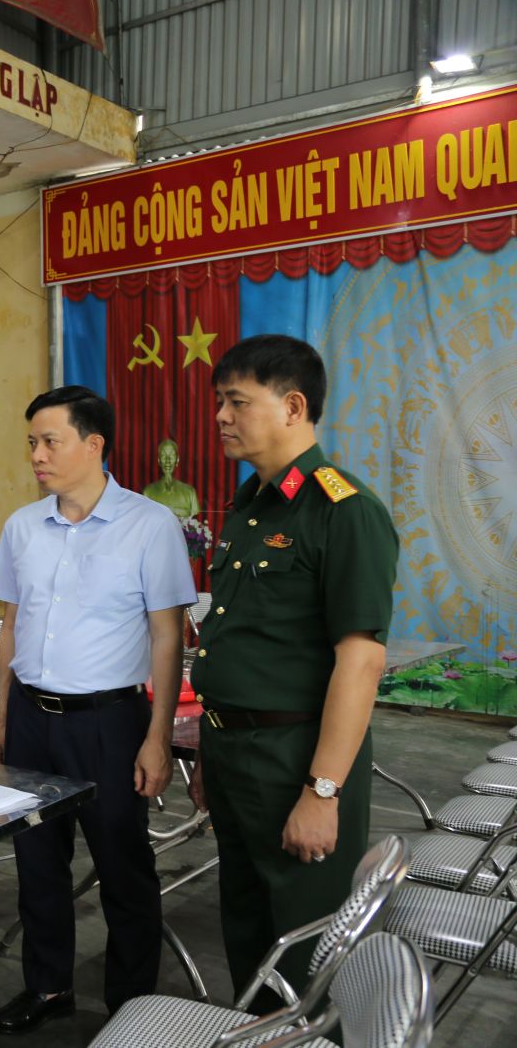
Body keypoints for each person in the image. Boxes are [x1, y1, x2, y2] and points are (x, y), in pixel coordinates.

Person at [191, 335, 398, 1001]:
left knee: (306, 938)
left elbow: (360, 661)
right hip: (233, 751)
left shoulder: (344, 511)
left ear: (293, 407)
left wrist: (323, 791)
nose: (221, 416)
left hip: (295, 757)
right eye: (219, 401)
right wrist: (215, 754)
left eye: (237, 402)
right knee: (247, 920)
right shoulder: (250, 506)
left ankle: (309, 1040)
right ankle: (257, 1031)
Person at [0, 385, 196, 1034]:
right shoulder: (23, 526)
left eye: (50, 441)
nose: (36, 455)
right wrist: (4, 717)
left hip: (109, 723)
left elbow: (167, 636)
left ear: (94, 444)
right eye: (32, 443)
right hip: (31, 718)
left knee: (122, 865)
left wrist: (157, 737)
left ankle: (132, 1005)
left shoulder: (148, 525)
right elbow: (11, 627)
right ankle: (47, 987)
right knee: (36, 861)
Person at [142, 437, 201, 520]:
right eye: (163, 455)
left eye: (172, 455)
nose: (168, 460)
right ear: (159, 460)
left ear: (177, 460)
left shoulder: (190, 492)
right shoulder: (148, 492)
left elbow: (195, 520)